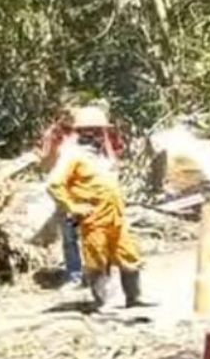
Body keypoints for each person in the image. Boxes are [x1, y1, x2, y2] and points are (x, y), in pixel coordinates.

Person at [46, 106, 148, 311]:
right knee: (97, 260)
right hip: (94, 218)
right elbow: (54, 184)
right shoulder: (72, 155)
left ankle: (134, 298)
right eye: (90, 130)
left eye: (99, 130)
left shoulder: (102, 156)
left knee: (129, 255)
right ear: (81, 132)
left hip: (116, 216)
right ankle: (104, 302)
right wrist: (73, 206)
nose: (97, 134)